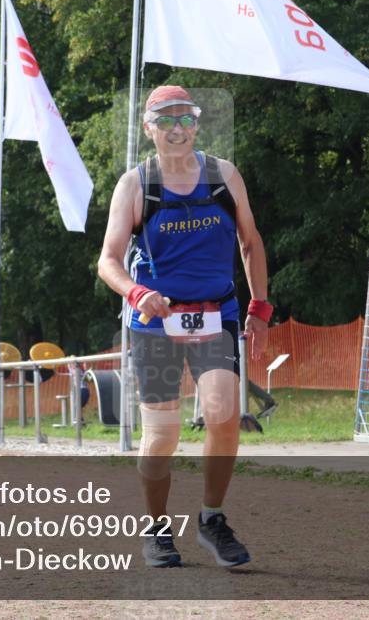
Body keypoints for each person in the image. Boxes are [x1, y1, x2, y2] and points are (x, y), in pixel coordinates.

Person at [98, 85, 271, 567]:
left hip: (217, 314)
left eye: (185, 119)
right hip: (155, 322)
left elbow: (251, 242)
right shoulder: (136, 185)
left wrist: (259, 307)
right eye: (165, 120)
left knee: (222, 413)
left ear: (196, 125)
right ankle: (156, 529)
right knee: (162, 435)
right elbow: (108, 260)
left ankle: (212, 519)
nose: (176, 129)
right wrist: (136, 292)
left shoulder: (223, 176)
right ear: (149, 128)